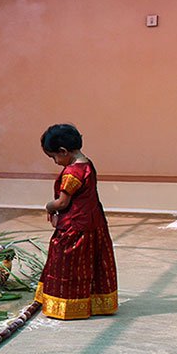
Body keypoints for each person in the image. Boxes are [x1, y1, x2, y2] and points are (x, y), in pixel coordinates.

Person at [33, 124, 118, 320]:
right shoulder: (87, 163)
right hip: (94, 223)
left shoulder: (72, 172)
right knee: (91, 264)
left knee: (65, 263)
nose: (55, 161)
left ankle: (67, 306)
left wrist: (49, 206)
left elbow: (63, 202)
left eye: (54, 157)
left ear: (63, 151)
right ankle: (94, 304)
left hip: (75, 227)